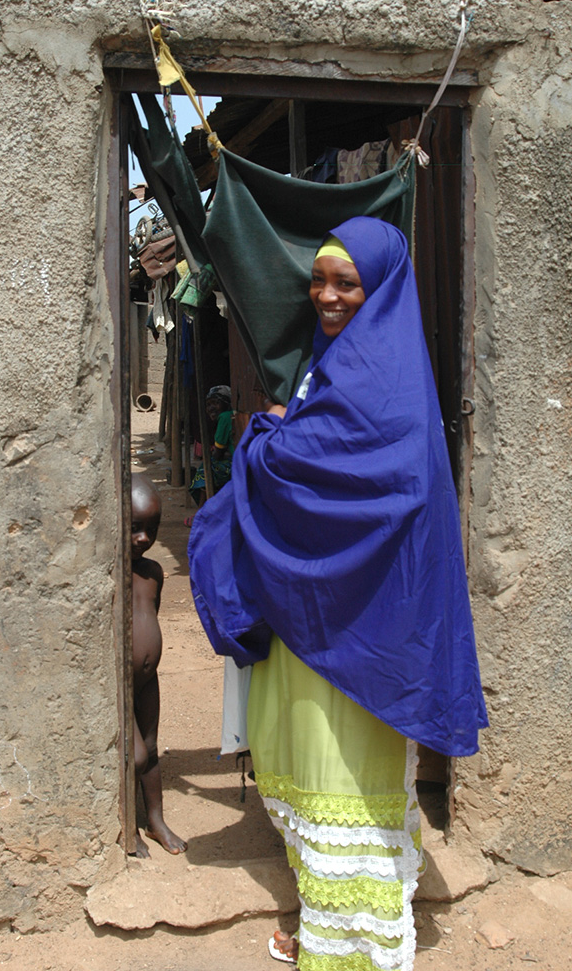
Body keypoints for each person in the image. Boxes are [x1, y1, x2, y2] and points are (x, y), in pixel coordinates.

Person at [188, 217, 488, 970]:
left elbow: (350, 477)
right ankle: (330, 920)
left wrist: (261, 442)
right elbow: (326, 457)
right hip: (326, 608)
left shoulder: (379, 376)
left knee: (343, 774)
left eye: (344, 282)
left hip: (363, 621)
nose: (325, 295)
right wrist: (283, 435)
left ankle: (349, 946)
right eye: (318, 279)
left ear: (379, 286)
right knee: (317, 763)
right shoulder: (347, 358)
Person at [131, 475, 187, 858]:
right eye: (135, 528)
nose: (144, 538)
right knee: (132, 754)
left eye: (152, 528)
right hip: (120, 683)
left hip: (148, 682)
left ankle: (155, 820)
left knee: (150, 748)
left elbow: (152, 616)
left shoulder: (153, 573)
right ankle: (124, 826)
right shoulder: (108, 571)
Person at [186, 385, 234, 523]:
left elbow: (218, 454)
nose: (211, 408)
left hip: (237, 465)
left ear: (226, 404)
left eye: (216, 403)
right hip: (238, 461)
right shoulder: (230, 416)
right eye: (209, 404)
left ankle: (201, 513)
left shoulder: (225, 418)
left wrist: (214, 454)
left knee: (206, 468)